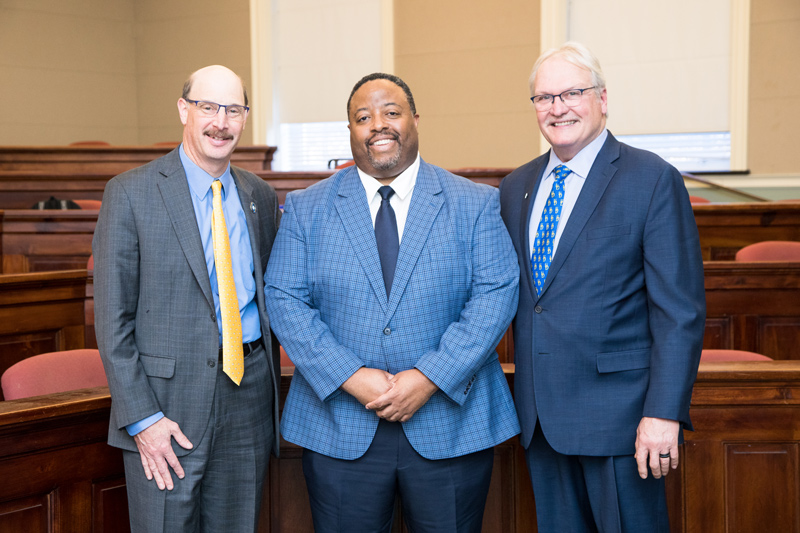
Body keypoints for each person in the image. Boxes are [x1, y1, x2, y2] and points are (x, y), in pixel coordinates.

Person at [265, 72, 520, 532]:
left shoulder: (475, 202)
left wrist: (429, 377)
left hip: (450, 424)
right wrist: (348, 374)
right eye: (363, 117)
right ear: (350, 132)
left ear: (415, 121)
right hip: (339, 423)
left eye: (391, 112)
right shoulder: (307, 207)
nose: (378, 125)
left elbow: (495, 293)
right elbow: (284, 298)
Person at [499, 42, 706, 532]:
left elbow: (679, 312)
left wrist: (663, 413)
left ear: (603, 98)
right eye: (544, 98)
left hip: (623, 423)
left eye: (572, 92)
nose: (557, 107)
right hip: (541, 422)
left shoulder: (651, 179)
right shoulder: (515, 187)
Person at [93, 65, 282, 532]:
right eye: (208, 107)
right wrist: (142, 418)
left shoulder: (258, 195)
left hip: (249, 392)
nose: (221, 121)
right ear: (184, 110)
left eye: (234, 110)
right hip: (166, 407)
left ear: (245, 117)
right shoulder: (131, 194)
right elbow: (112, 321)